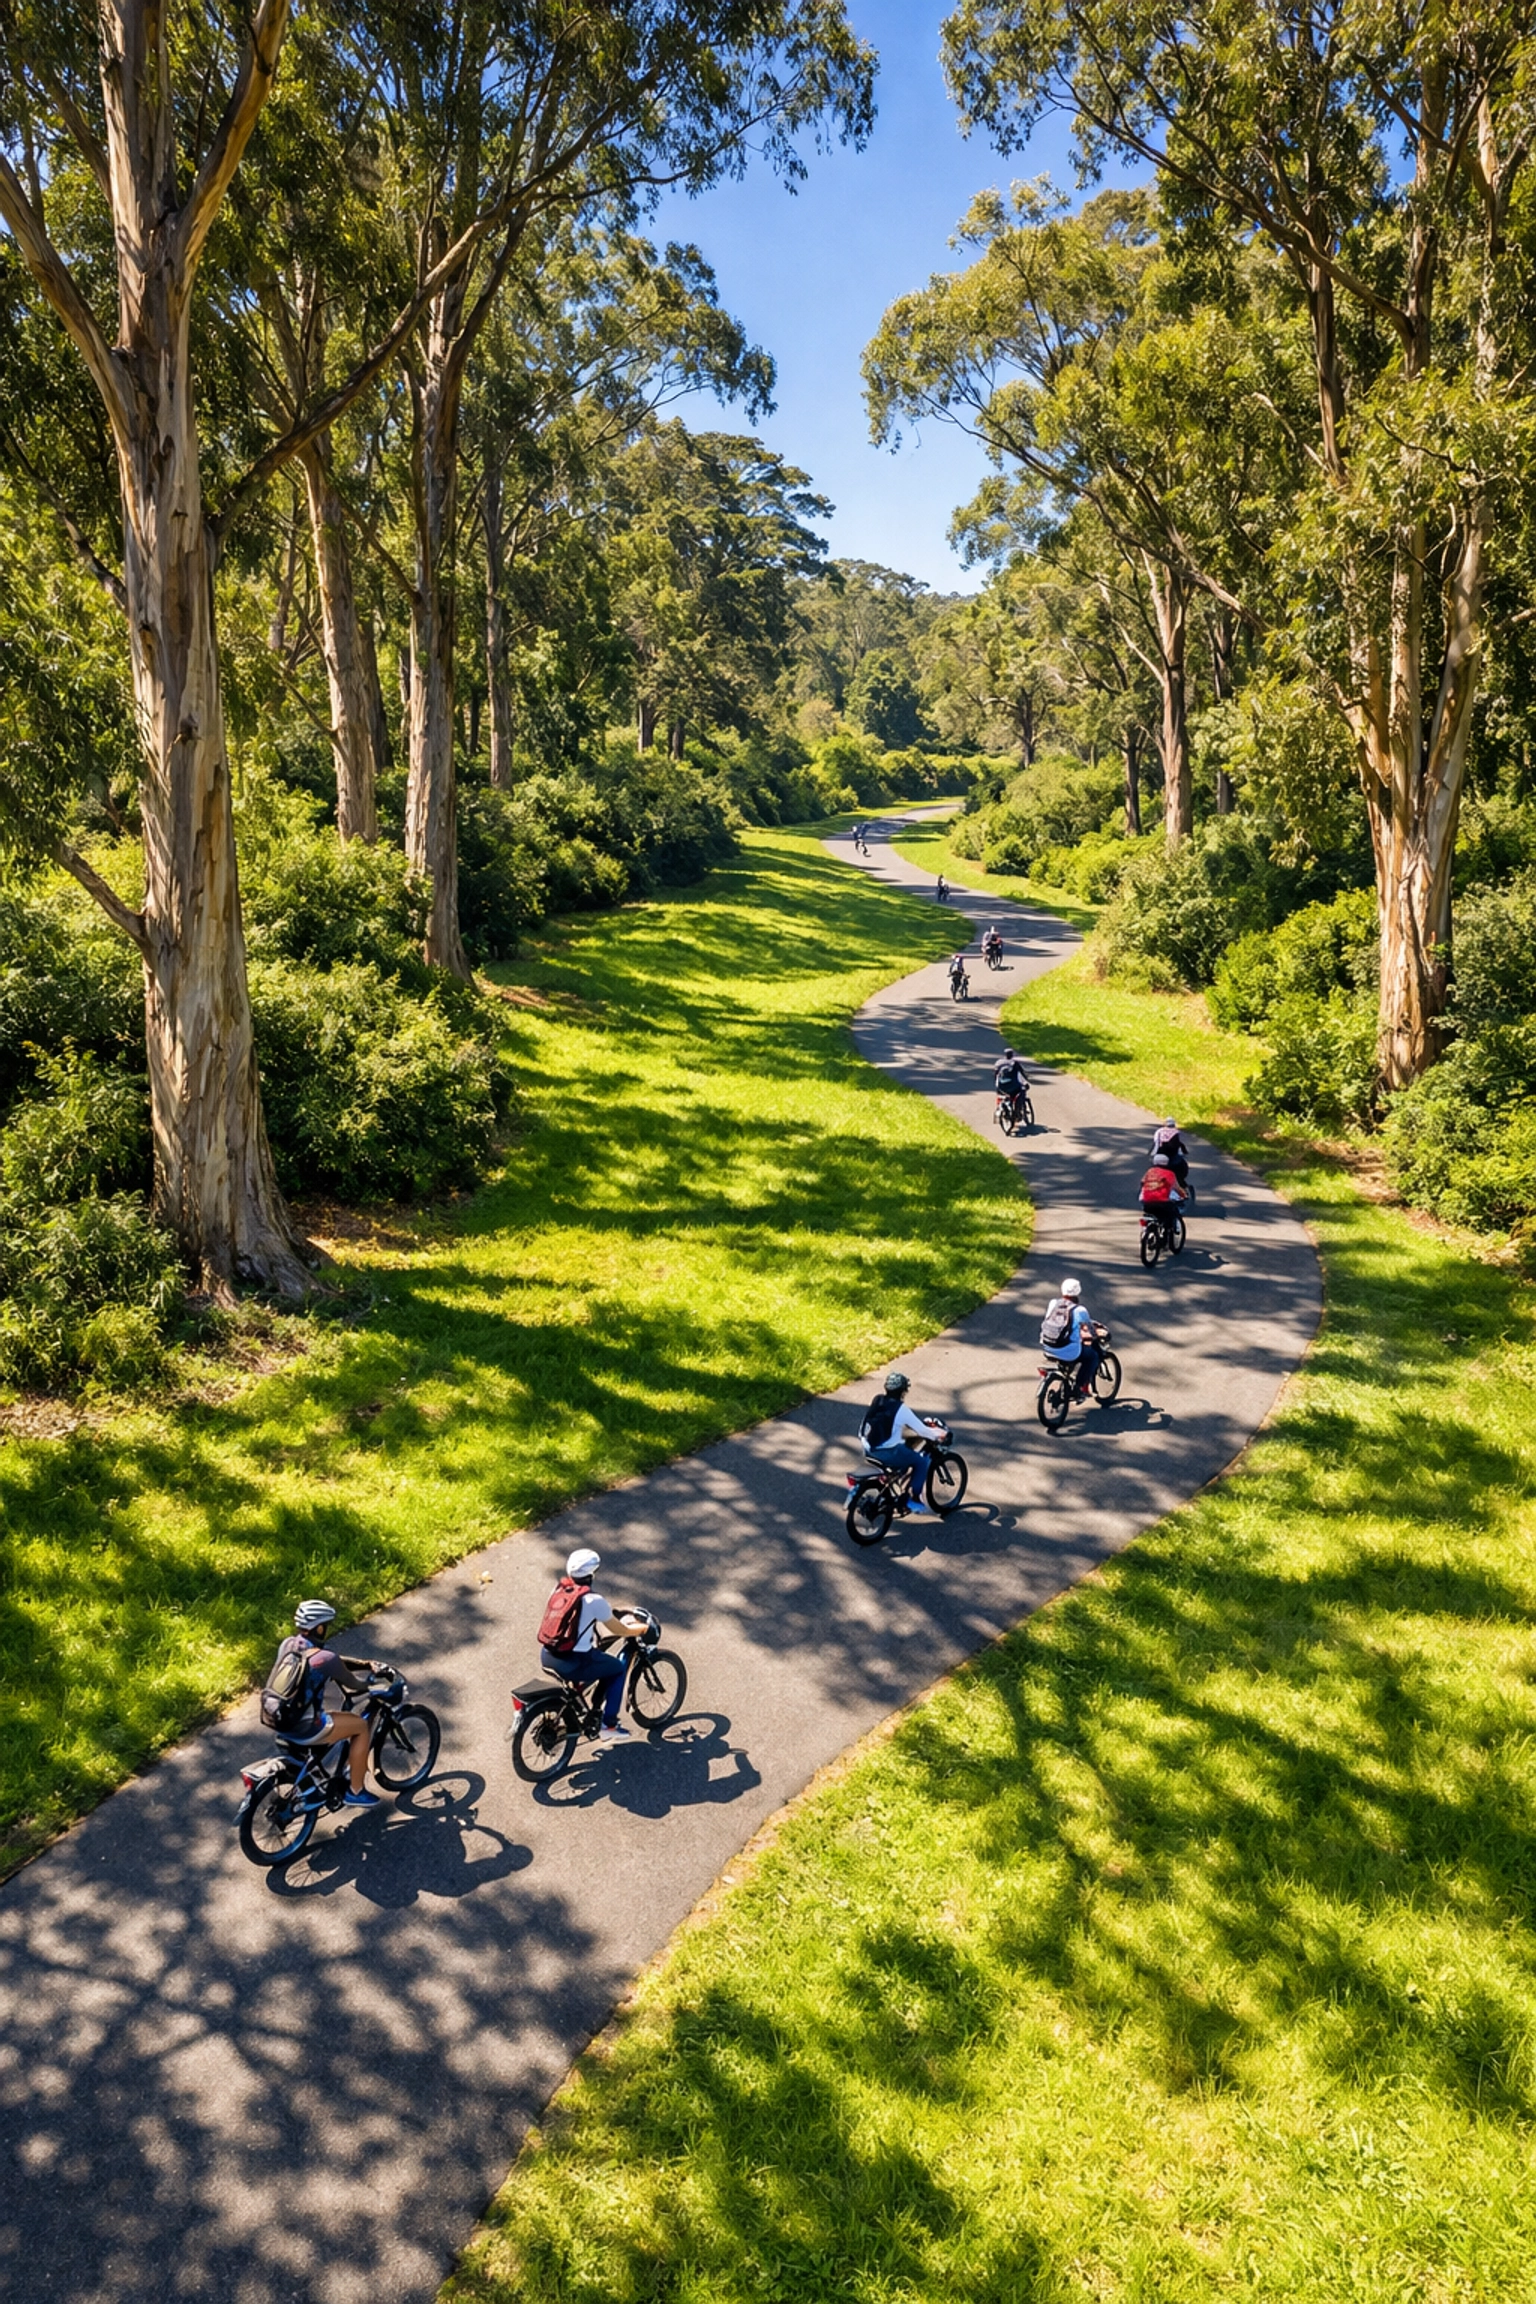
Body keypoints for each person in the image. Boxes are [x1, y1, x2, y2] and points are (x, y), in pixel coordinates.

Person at [271, 1601, 385, 1807]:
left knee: (335, 1720)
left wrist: (365, 1664)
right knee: (359, 1727)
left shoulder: (288, 1645)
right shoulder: (324, 1658)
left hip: (280, 1718)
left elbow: (332, 1660)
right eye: (327, 1625)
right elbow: (355, 1685)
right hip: (307, 1727)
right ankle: (356, 1791)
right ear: (320, 1627)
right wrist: (371, 1682)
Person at [539, 1549, 645, 1744]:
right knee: (617, 1669)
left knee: (598, 1661)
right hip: (575, 1662)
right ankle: (609, 1726)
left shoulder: (558, 1589)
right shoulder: (594, 1601)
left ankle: (584, 1707)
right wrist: (639, 1630)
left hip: (548, 1654)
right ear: (591, 1575)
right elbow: (619, 1629)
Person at [858, 1371, 947, 1517]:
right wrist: (939, 1433)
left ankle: (896, 1480)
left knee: (905, 1448)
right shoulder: (901, 1410)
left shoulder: (878, 1400)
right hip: (886, 1452)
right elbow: (923, 1431)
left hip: (867, 1447)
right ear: (903, 1391)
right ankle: (913, 1498)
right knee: (921, 1461)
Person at [1040, 1277, 1101, 1395]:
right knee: (1093, 1356)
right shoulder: (1080, 1310)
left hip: (1047, 1345)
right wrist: (1095, 1336)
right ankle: (1079, 1387)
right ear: (1078, 1291)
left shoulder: (1053, 1303)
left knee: (1070, 1350)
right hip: (1069, 1351)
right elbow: (1090, 1330)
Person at [1150, 1118, 1189, 1190]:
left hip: (1160, 1154)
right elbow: (1178, 1145)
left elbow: (1156, 1143)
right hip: (1172, 1156)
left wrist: (1153, 1154)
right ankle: (1181, 1185)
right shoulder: (1176, 1132)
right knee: (1179, 1169)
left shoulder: (1159, 1131)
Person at [993, 1046, 1027, 1117]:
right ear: (1012, 1054)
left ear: (1005, 1054)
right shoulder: (1014, 1063)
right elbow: (1022, 1073)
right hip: (1013, 1086)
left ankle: (1000, 1108)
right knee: (1022, 1092)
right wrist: (1026, 1081)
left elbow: (995, 1074)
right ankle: (1018, 1110)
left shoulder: (998, 1063)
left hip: (1001, 1086)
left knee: (1002, 1096)